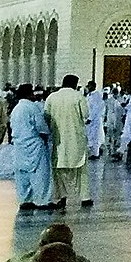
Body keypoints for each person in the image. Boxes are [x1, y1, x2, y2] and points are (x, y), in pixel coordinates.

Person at [43, 75, 88, 210]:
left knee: (58, 169)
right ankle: (85, 197)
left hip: (58, 139)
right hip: (76, 138)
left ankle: (61, 196)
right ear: (75, 84)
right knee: (81, 170)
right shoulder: (78, 96)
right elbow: (85, 115)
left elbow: (46, 116)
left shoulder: (52, 97)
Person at [7, 89, 55, 209]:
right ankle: (42, 200)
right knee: (40, 173)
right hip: (34, 144)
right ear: (28, 94)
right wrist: (46, 135)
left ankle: (25, 200)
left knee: (22, 174)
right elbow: (40, 125)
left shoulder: (16, 109)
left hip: (19, 145)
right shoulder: (32, 107)